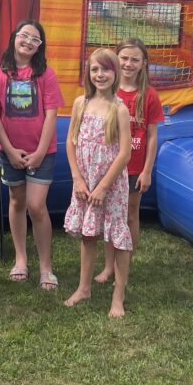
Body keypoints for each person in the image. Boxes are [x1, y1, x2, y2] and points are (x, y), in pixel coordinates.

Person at [0, 19, 65, 290]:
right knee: (16, 201)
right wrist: (8, 150)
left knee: (36, 206)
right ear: (14, 37)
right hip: (9, 152)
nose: (29, 42)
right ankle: (21, 259)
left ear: (40, 46)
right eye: (25, 36)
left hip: (42, 152)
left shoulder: (46, 74)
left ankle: (46, 266)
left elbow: (52, 114)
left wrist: (40, 151)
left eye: (36, 39)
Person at [63, 48, 133, 318]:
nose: (100, 75)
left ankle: (119, 295)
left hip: (110, 184)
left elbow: (124, 153)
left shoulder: (119, 109)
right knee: (88, 234)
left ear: (115, 73)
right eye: (95, 70)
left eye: (105, 69)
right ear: (88, 73)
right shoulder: (80, 103)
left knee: (117, 237)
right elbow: (71, 142)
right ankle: (84, 288)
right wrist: (77, 179)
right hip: (84, 181)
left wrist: (104, 186)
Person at [95, 38, 163, 285]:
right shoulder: (107, 92)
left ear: (144, 64)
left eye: (135, 59)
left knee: (130, 215)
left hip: (134, 166)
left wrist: (147, 171)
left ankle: (124, 265)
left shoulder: (149, 96)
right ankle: (108, 267)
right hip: (109, 165)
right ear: (116, 60)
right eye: (124, 58)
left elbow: (153, 136)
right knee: (110, 216)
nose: (129, 63)